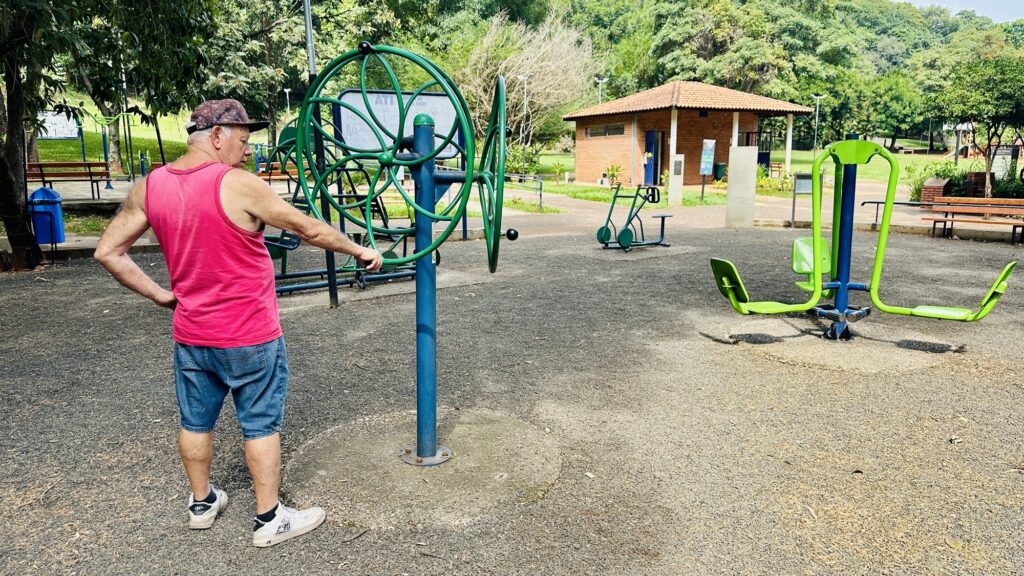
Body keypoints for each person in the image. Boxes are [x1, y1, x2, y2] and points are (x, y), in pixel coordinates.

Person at [94, 99, 382, 547]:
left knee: (195, 421)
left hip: (192, 335)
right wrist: (359, 250)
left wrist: (161, 295)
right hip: (249, 334)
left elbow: (108, 251)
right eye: (243, 141)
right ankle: (269, 519)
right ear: (216, 136)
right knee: (261, 425)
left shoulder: (151, 186)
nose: (248, 151)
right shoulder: (238, 185)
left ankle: (202, 503)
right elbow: (307, 229)